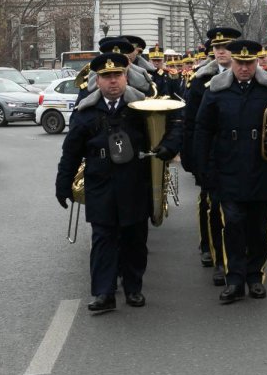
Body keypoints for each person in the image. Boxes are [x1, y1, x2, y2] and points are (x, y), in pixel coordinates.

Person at [55, 53, 182, 314]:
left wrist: (168, 148)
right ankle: (104, 292)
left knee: (135, 236)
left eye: (117, 75)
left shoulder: (143, 107)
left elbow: (176, 126)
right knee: (103, 237)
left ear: (126, 77)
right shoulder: (86, 112)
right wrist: (63, 183)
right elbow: (71, 152)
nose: (113, 81)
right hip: (100, 182)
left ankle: (134, 288)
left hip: (135, 180)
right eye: (106, 77)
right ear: (97, 81)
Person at [194, 39, 267, 304]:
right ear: (231, 61)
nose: (244, 68)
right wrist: (203, 169)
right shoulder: (216, 90)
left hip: (261, 167)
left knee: (258, 226)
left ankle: (255, 276)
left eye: (249, 63)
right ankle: (234, 279)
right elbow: (202, 130)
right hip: (227, 168)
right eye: (240, 63)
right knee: (232, 225)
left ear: (257, 63)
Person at [182, 26, 240, 285]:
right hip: (214, 154)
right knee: (211, 205)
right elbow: (191, 122)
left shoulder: (251, 77)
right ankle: (213, 252)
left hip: (243, 154)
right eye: (217, 48)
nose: (221, 52)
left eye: (227, 47)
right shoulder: (199, 80)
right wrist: (193, 157)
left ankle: (241, 257)